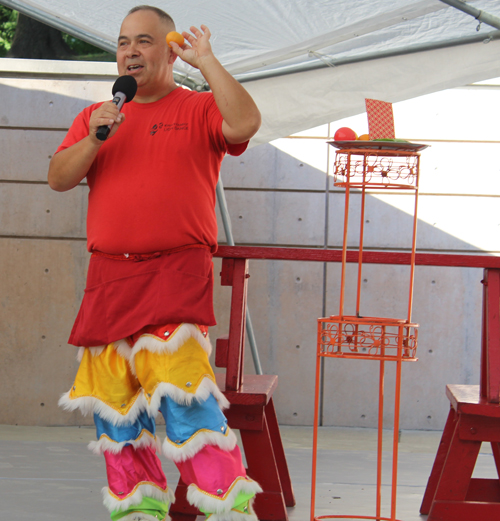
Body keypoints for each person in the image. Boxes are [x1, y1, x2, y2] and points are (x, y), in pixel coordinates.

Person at [48, 5, 262, 521]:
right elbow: (58, 177)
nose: (129, 51)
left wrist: (207, 61)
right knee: (114, 406)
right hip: (109, 277)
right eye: (123, 42)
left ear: (169, 49)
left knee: (185, 396)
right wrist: (94, 137)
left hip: (175, 271)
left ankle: (228, 509)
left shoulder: (200, 106)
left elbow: (245, 122)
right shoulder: (98, 116)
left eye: (143, 41)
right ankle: (140, 509)